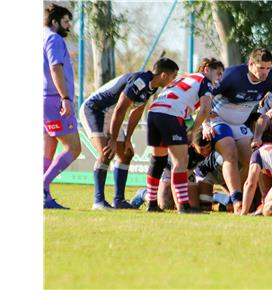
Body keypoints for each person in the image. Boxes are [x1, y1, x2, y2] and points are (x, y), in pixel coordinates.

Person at [79, 58, 179, 210]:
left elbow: (136, 111)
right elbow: (120, 109)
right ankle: (98, 201)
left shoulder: (152, 87)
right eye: (174, 76)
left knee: (126, 154)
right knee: (106, 152)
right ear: (164, 75)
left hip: (112, 114)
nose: (174, 80)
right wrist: (113, 139)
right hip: (95, 110)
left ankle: (118, 200)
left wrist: (127, 139)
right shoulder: (140, 81)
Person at [144, 58, 224, 213]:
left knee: (158, 161)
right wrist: (193, 130)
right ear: (207, 69)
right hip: (171, 115)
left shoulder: (184, 77)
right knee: (181, 161)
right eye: (218, 73)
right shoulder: (205, 80)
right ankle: (183, 206)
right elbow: (205, 109)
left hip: (154, 113)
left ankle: (151, 204)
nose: (219, 78)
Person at [203, 48, 272, 213]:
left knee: (252, 161)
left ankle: (232, 198)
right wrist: (205, 123)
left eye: (268, 68)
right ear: (251, 64)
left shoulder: (270, 80)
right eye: (261, 68)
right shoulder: (232, 75)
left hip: (239, 125)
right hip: (218, 119)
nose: (265, 72)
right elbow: (205, 94)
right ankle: (237, 203)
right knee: (230, 152)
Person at [43, 4, 82, 209]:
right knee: (74, 148)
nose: (68, 26)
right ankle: (41, 187)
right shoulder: (53, 39)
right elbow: (55, 67)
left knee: (48, 152)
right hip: (55, 100)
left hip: (43, 100)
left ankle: (44, 197)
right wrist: (65, 98)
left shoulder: (41, 36)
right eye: (66, 22)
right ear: (55, 21)